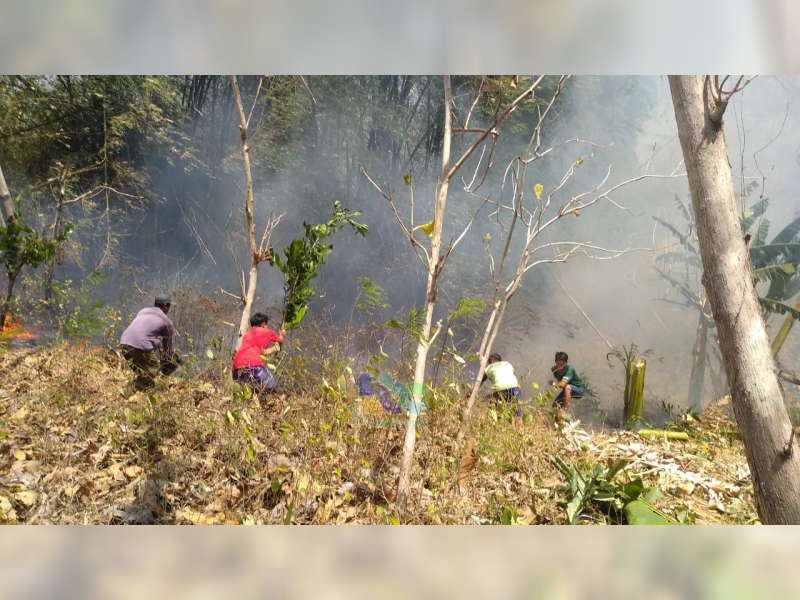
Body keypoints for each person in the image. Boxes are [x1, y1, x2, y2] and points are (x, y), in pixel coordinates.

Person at [120, 296, 180, 390]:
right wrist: (171, 364)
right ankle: (126, 392)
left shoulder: (143, 311)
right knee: (153, 370)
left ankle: (137, 394)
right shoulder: (166, 322)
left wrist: (157, 345)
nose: (169, 309)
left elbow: (145, 332)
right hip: (139, 346)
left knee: (144, 374)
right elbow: (167, 352)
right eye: (168, 306)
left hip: (124, 344)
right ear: (165, 306)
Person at [232, 312, 285, 396]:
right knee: (272, 387)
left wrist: (274, 349)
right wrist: (282, 334)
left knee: (251, 391)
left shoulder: (247, 335)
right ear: (263, 324)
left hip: (236, 369)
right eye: (266, 324)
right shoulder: (267, 331)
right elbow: (280, 340)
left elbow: (263, 352)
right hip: (254, 367)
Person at [482, 353, 523, 423]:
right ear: (500, 361)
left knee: (494, 406)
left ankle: (497, 423)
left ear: (489, 362)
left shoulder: (488, 368)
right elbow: (510, 375)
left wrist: (470, 393)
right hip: (515, 388)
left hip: (501, 390)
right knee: (517, 412)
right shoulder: (507, 364)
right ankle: (519, 427)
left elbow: (479, 382)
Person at [551, 351, 585, 421]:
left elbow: (562, 384)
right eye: (558, 363)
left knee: (567, 387)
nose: (559, 366)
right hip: (567, 390)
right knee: (555, 405)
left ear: (566, 363)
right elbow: (560, 383)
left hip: (578, 390)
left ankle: (566, 412)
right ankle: (559, 423)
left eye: (562, 364)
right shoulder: (555, 370)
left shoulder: (570, 369)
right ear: (555, 362)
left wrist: (554, 384)